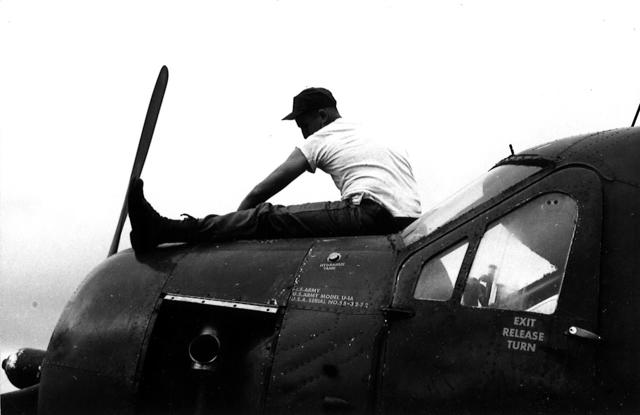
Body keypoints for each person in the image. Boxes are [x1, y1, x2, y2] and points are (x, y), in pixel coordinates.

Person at [128, 87, 422, 254]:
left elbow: (261, 190)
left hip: (370, 214)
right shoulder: (371, 131)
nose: (304, 135)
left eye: (303, 125)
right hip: (409, 224)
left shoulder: (323, 136)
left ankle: (164, 230)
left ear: (322, 115)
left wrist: (239, 220)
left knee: (264, 217)